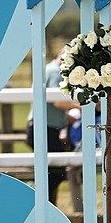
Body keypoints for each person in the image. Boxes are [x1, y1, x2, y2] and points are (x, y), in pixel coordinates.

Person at [26, 49, 79, 204]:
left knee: (53, 171)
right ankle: (43, 204)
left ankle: (45, 206)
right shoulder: (56, 73)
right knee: (57, 170)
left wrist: (66, 117)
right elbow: (58, 101)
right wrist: (83, 107)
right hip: (45, 129)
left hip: (43, 127)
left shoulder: (50, 69)